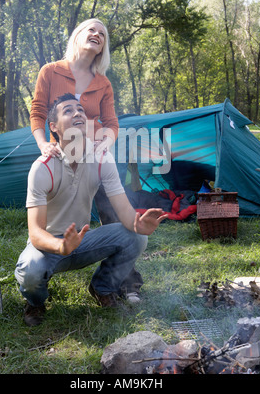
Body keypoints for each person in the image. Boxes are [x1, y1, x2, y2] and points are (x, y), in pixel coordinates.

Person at [15, 94, 166, 326]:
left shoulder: (102, 158)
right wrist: (61, 245)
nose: (77, 113)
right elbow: (35, 233)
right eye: (68, 111)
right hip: (48, 246)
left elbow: (125, 212)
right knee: (30, 271)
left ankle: (102, 288)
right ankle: (36, 302)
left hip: (83, 240)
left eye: (80, 110)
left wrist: (139, 224)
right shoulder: (42, 168)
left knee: (136, 237)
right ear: (53, 127)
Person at [30, 18, 119, 158]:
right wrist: (43, 144)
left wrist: (105, 144)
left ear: (102, 48)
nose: (96, 34)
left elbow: (111, 123)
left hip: (95, 156)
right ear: (77, 37)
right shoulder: (49, 71)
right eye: (91, 30)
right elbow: (37, 113)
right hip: (60, 154)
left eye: (102, 34)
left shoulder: (104, 84)